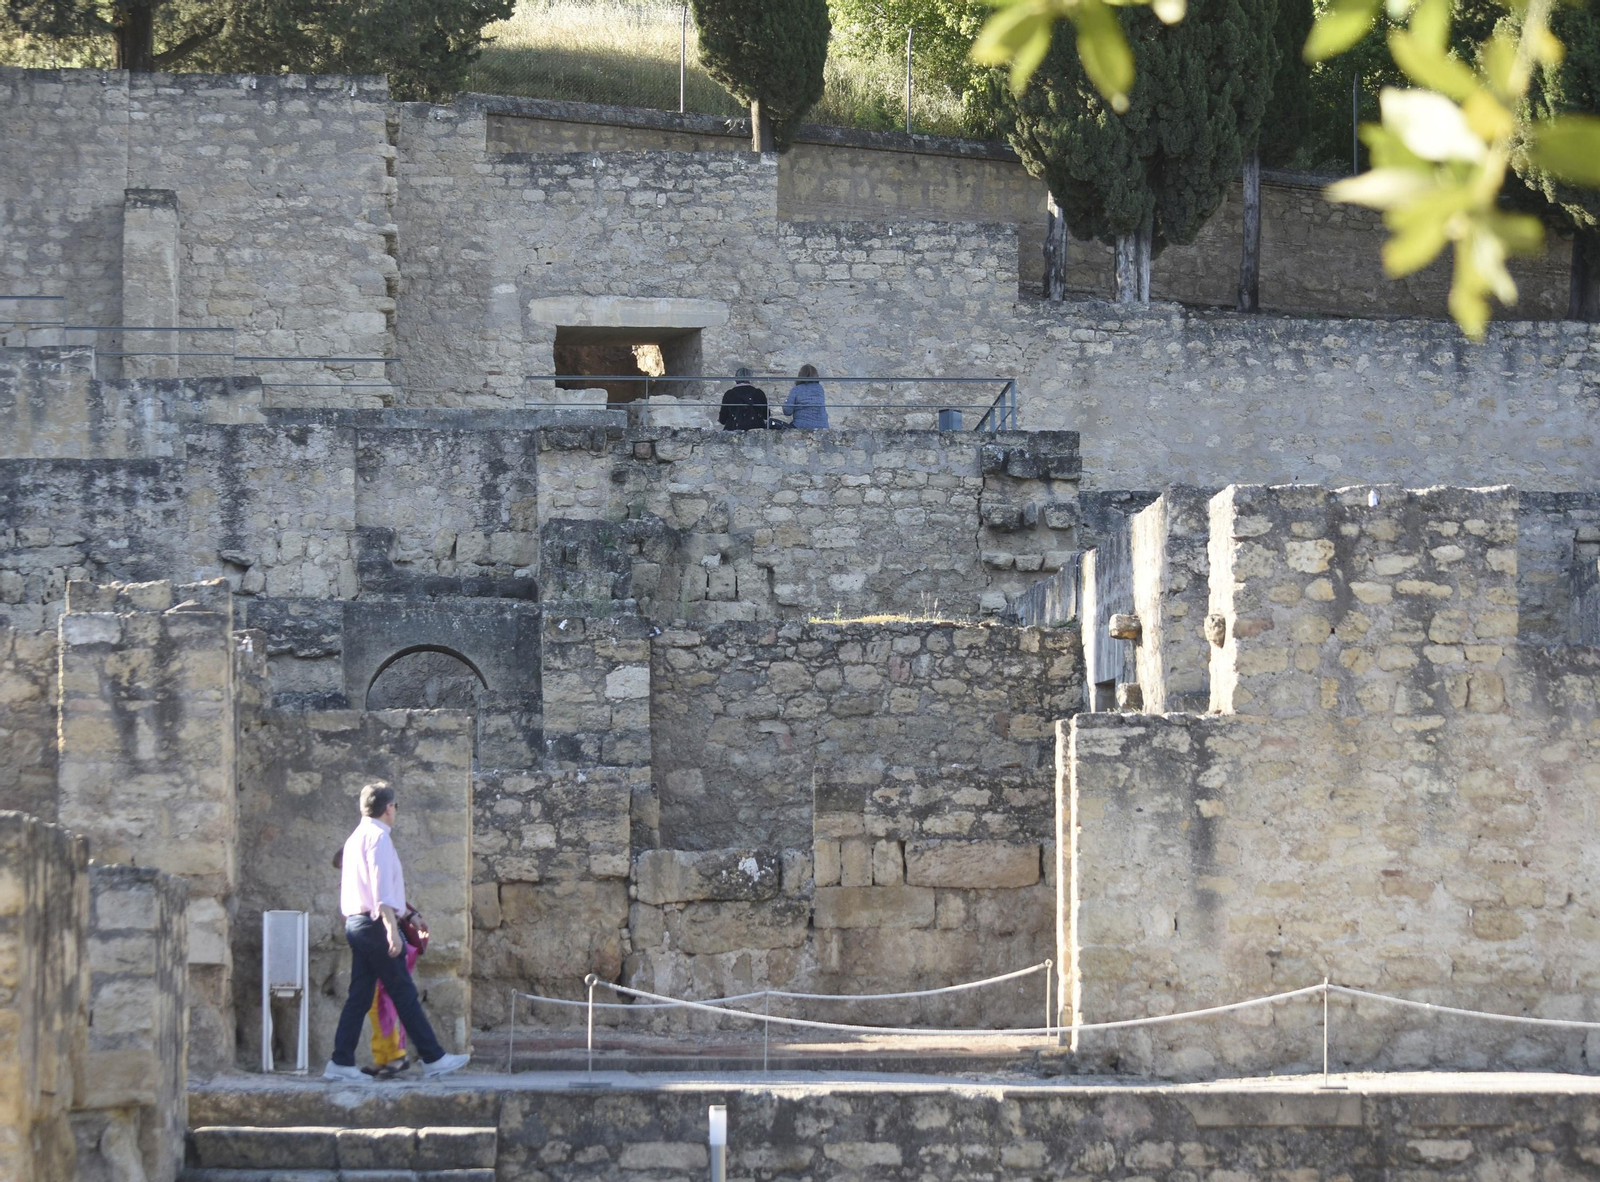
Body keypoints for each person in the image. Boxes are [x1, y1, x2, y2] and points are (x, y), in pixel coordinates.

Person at [323, 781, 470, 1082]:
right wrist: (392, 928)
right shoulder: (379, 838)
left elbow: (373, 889)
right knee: (402, 990)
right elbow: (380, 891)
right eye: (396, 807)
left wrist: (409, 915)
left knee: (360, 996)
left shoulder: (354, 839)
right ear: (388, 808)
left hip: (356, 922)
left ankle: (340, 1061)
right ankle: (434, 1057)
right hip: (375, 923)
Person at [718, 366, 769, 430]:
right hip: (756, 428)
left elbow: (722, 419)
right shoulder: (759, 393)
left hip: (733, 429)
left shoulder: (729, 394)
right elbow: (767, 415)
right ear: (750, 378)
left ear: (736, 379)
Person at [782, 364, 830, 429]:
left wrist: (786, 401)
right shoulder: (820, 388)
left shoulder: (796, 389)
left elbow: (787, 411)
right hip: (822, 426)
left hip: (801, 425)